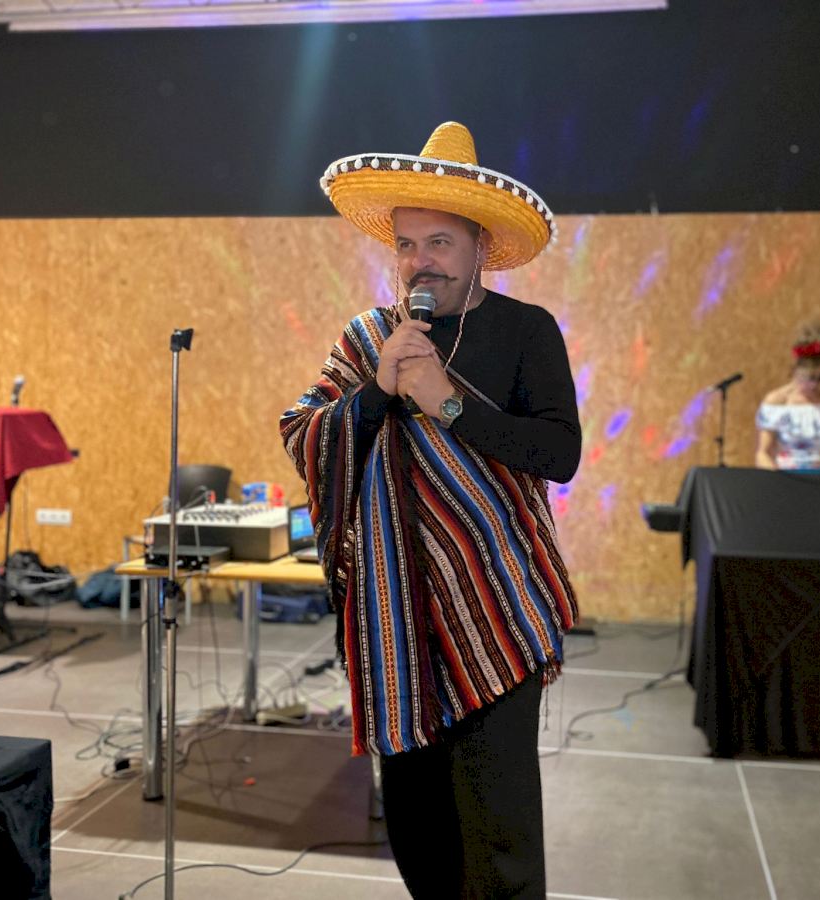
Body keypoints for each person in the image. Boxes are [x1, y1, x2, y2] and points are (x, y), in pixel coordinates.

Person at [280, 121, 580, 899]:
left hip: (497, 613)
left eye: (440, 243)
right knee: (417, 827)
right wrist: (376, 391)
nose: (422, 261)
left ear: (480, 246)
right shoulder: (369, 339)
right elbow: (304, 434)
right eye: (408, 245)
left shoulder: (527, 332)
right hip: (394, 625)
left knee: (498, 835)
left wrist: (448, 405)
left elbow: (559, 454)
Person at [755, 320, 820, 473]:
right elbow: (763, 453)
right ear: (794, 372)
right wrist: (775, 479)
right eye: (808, 378)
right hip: (785, 476)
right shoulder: (776, 402)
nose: (814, 385)